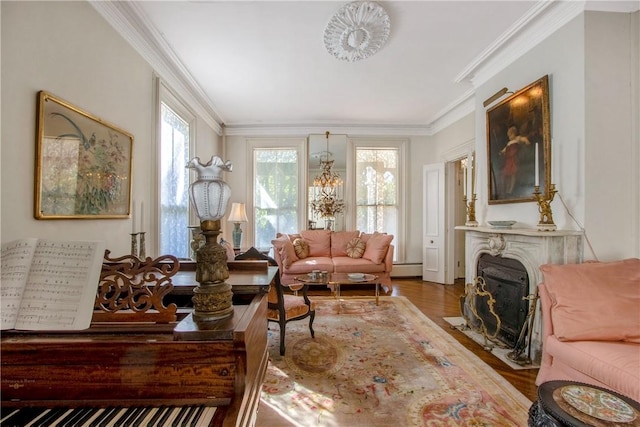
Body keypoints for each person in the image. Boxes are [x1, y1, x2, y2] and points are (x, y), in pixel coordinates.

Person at [500, 126, 531, 195]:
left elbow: (524, 139)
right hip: (508, 160)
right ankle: (508, 189)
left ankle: (511, 189)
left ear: (514, 133)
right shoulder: (509, 143)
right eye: (509, 136)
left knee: (513, 174)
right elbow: (505, 149)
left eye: (510, 135)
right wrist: (501, 152)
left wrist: (527, 141)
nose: (509, 137)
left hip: (513, 160)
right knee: (508, 174)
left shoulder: (517, 138)